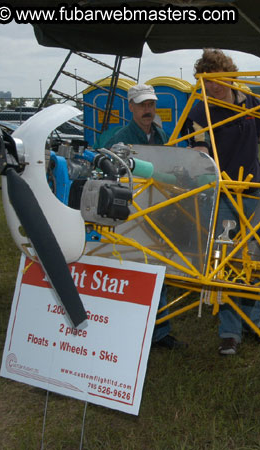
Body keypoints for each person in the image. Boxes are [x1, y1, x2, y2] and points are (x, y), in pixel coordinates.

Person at [184, 49, 260, 355]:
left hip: (255, 192)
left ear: (229, 74)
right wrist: (202, 156)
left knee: (255, 257)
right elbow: (200, 151)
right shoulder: (200, 111)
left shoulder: (248, 100)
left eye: (218, 78)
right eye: (207, 80)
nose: (214, 85)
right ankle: (230, 331)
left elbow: (259, 132)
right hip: (225, 199)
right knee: (227, 258)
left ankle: (254, 322)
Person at [102, 84, 186, 350]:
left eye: (150, 105)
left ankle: (158, 331)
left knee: (158, 266)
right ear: (131, 107)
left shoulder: (162, 135)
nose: (147, 110)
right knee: (132, 267)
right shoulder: (119, 137)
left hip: (159, 209)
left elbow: (176, 166)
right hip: (129, 212)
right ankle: (129, 328)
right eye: (142, 105)